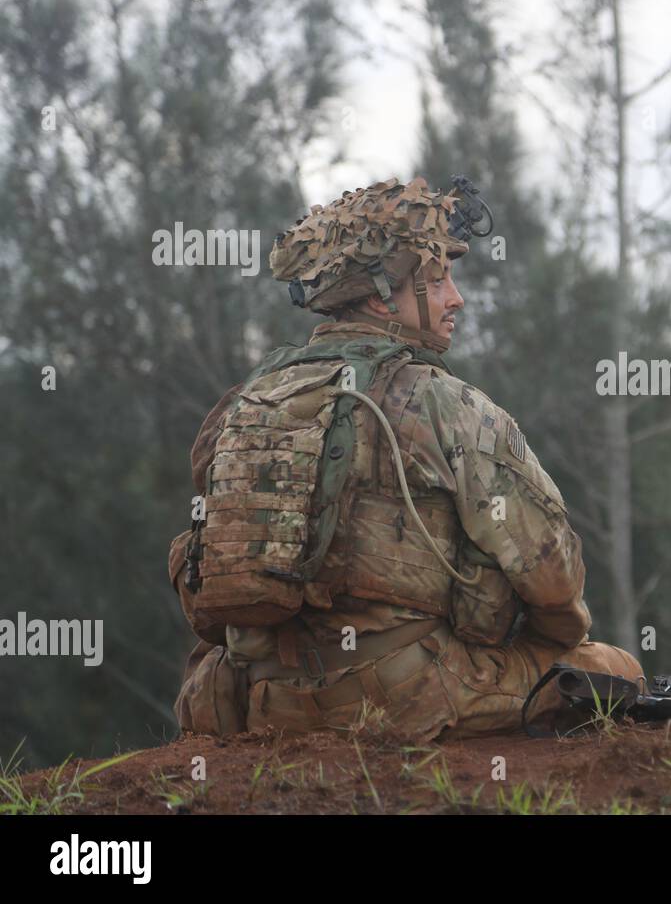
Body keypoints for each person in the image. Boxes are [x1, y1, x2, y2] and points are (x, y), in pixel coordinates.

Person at [168, 176, 643, 740]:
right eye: (437, 279)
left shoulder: (244, 403)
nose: (456, 298)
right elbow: (554, 584)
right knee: (616, 672)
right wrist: (547, 636)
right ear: (380, 296)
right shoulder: (448, 404)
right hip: (401, 698)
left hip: (261, 702)